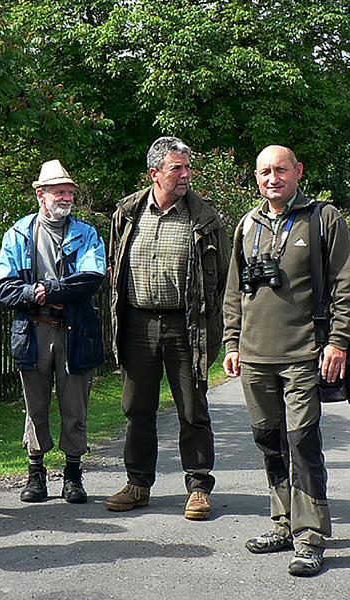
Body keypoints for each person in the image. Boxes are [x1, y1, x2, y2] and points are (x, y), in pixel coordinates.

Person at [222, 145, 350, 576]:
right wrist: (231, 343)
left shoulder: (322, 218)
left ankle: (311, 534)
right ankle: (282, 521)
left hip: (304, 354)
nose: (272, 178)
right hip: (255, 355)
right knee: (269, 440)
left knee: (302, 442)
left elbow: (345, 285)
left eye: (280, 169)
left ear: (298, 171)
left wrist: (337, 342)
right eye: (264, 172)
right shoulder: (248, 224)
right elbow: (233, 292)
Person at [104, 136, 228, 520]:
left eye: (188, 168)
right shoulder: (127, 212)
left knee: (193, 409)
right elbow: (114, 266)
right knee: (136, 408)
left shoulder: (205, 217)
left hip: (185, 324)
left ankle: (198, 486)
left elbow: (222, 276)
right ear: (154, 173)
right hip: (137, 322)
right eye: (177, 168)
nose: (186, 175)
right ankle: (138, 484)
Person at [0, 160, 106, 504]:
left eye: (70, 191)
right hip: (33, 331)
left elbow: (91, 279)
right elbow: (1, 288)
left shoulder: (87, 234)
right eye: (60, 191)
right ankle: (35, 473)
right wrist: (32, 294)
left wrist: (49, 290)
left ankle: (73, 474)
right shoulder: (18, 234)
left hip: (75, 332)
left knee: (75, 407)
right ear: (41, 194)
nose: (67, 197)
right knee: (35, 406)